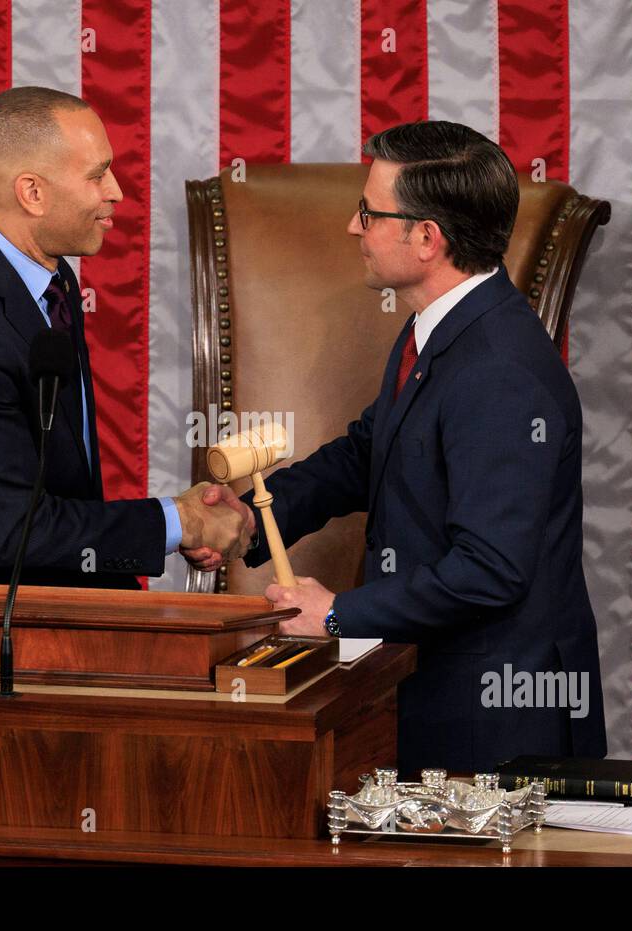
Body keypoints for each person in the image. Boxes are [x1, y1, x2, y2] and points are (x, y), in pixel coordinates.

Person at [184, 121, 606, 773]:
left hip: (491, 727)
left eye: (369, 212)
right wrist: (250, 521)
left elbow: (489, 568)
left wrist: (336, 613)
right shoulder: (439, 327)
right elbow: (370, 451)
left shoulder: (500, 371)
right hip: (434, 696)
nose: (354, 227)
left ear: (427, 238)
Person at [0, 86, 251, 600]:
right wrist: (178, 523)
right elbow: (15, 531)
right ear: (33, 193)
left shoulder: (51, 279)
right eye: (97, 175)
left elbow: (61, 486)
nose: (116, 191)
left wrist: (174, 522)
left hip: (48, 607)